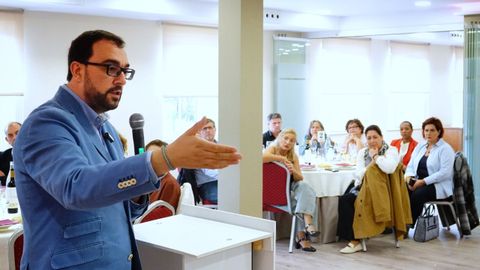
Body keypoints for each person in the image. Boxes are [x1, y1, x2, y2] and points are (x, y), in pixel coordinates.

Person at [13, 30, 240, 270]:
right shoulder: (47, 122)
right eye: (111, 68)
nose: (121, 79)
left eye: (125, 71)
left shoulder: (105, 127)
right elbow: (75, 188)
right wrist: (163, 159)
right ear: (77, 69)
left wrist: (148, 182)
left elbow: (123, 207)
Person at [338, 125, 400, 254]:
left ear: (382, 137)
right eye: (369, 138)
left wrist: (376, 157)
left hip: (382, 192)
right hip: (363, 187)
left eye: (375, 137)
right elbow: (358, 174)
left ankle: (355, 240)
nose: (372, 141)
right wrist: (370, 165)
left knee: (348, 200)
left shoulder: (391, 150)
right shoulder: (363, 152)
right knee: (344, 199)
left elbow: (389, 168)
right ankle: (354, 238)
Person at [263, 128, 318, 252]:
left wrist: (292, 169)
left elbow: (299, 178)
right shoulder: (272, 149)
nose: (288, 142)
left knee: (305, 187)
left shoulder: (293, 155)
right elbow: (261, 158)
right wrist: (281, 159)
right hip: (272, 194)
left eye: (292, 141)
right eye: (286, 138)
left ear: (294, 143)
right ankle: (302, 236)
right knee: (305, 202)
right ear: (280, 138)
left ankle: (306, 227)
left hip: (288, 189)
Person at [405, 117, 455, 226]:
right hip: (418, 181)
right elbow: (410, 166)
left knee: (418, 194)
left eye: (432, 130)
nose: (428, 133)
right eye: (426, 130)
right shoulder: (421, 146)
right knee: (402, 190)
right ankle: (399, 222)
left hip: (438, 185)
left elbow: (445, 173)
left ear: (439, 131)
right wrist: (409, 179)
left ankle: (408, 224)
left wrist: (422, 182)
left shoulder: (445, 149)